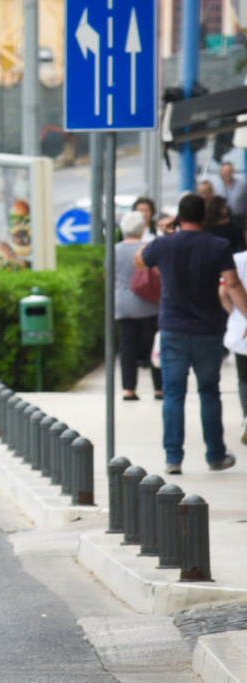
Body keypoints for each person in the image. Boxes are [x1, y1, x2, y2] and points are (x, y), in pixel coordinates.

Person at [137, 193, 247, 474]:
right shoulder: (218, 245)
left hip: (172, 329)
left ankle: (173, 458)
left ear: (179, 217)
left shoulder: (163, 245)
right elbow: (232, 284)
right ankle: (215, 455)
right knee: (209, 391)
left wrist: (165, 232)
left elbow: (140, 260)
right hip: (208, 330)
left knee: (173, 393)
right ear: (204, 217)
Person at [115, 211, 162, 401]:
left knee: (127, 347)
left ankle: (128, 389)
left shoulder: (115, 249)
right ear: (142, 228)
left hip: (123, 304)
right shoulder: (149, 248)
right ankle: (159, 388)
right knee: (154, 346)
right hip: (149, 303)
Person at [221, 248, 247, 444]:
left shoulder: (237, 260)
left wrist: (233, 313)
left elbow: (223, 292)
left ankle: (246, 416)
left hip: (241, 330)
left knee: (244, 378)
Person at [210, 161, 247, 229]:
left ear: (233, 172)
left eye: (230, 171)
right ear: (221, 172)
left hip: (239, 218)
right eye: (225, 172)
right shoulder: (216, 186)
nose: (228, 174)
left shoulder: (243, 185)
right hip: (221, 219)